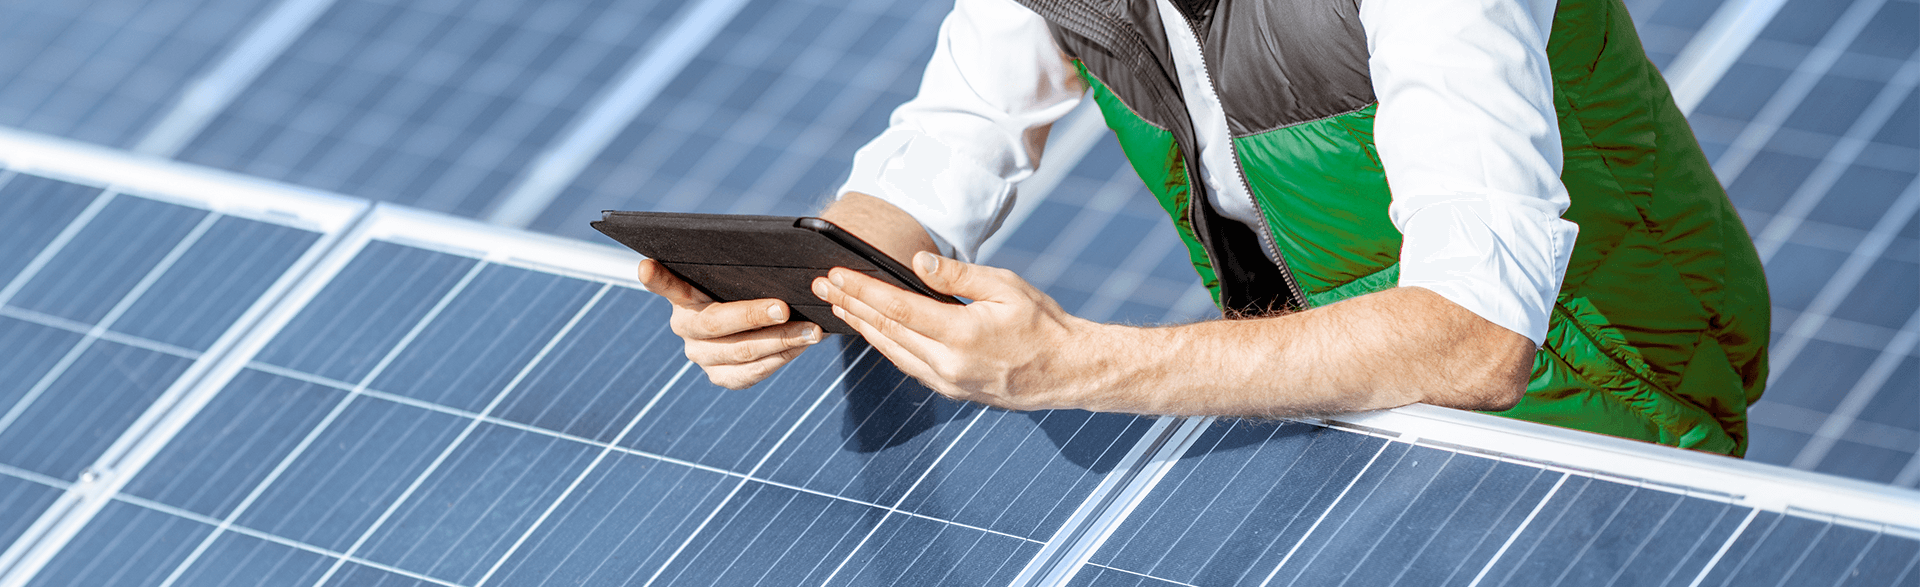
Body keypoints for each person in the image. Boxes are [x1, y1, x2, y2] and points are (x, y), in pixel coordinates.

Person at [637, 0, 1770, 455]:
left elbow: (1476, 337)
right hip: (1344, 393)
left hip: (1602, 403)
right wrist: (799, 278)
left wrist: (1071, 365)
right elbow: (948, 144)